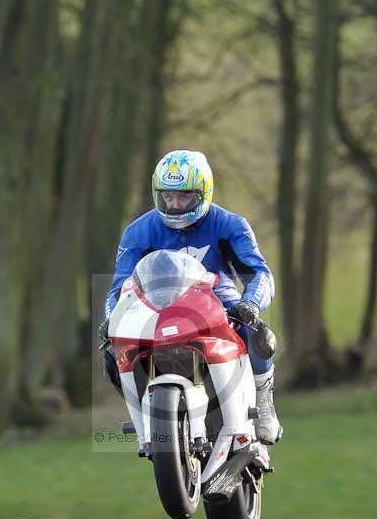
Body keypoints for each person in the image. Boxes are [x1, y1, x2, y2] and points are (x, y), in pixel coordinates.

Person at [100, 150, 282, 445]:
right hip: (156, 310)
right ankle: (149, 413)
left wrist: (249, 302)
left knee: (258, 333)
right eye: (167, 196)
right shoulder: (138, 232)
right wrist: (113, 318)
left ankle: (263, 404)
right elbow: (119, 286)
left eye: (183, 196)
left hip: (217, 305)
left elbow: (260, 274)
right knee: (112, 353)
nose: (174, 205)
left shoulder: (231, 225)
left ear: (203, 193)